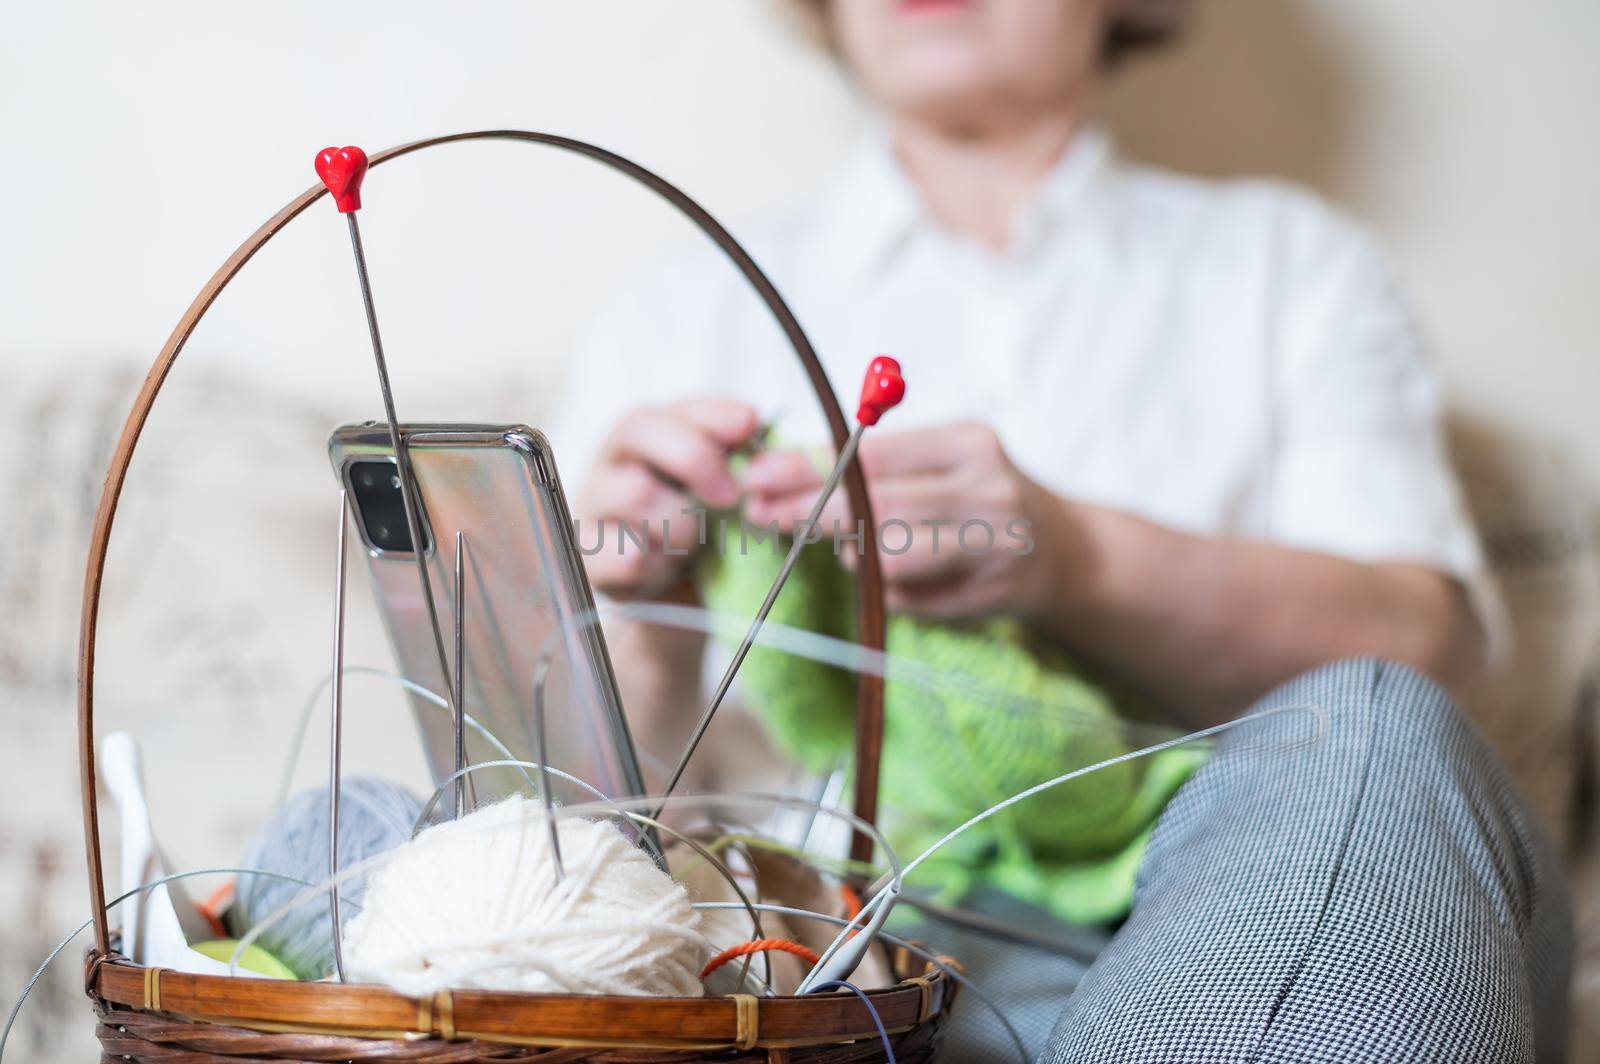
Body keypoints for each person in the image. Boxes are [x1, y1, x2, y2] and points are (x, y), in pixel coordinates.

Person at [551, 0, 1571, 1059]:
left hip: (1260, 911)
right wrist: (645, 625)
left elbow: (1416, 658)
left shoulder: (1289, 269)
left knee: (1370, 721)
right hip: (839, 963)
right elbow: (557, 820)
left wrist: (1076, 556)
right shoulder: (681, 307)